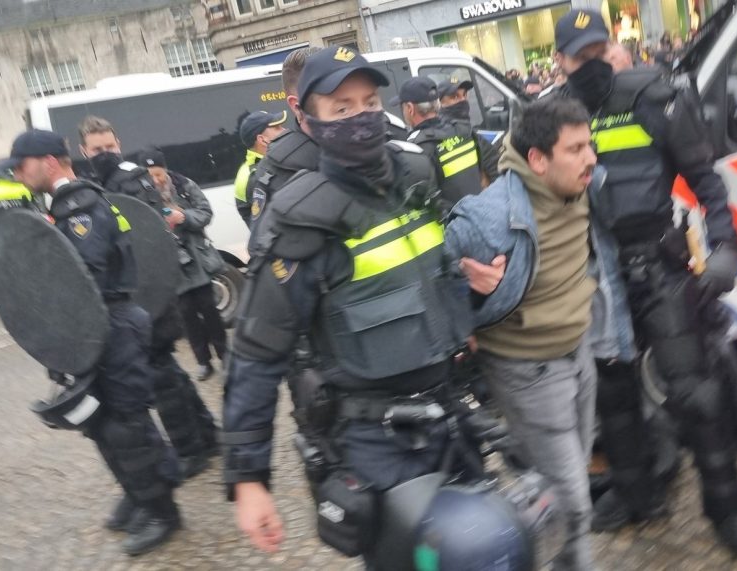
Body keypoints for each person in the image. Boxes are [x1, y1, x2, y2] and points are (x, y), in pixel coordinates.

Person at [223, 46, 500, 564]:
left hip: (450, 414)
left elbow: (435, 269)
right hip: (379, 440)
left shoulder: (413, 172)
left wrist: (470, 281)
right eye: (342, 108)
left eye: (369, 102)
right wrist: (248, 478)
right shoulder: (301, 216)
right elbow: (257, 351)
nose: (362, 117)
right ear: (309, 120)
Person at [553, 9, 737, 565]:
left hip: (658, 266)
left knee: (698, 394)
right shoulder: (550, 118)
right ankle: (637, 495)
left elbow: (706, 180)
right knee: (615, 399)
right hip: (594, 276)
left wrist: (725, 246)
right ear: (560, 61)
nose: (592, 64)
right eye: (580, 57)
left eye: (599, 51)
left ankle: (728, 510)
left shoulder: (654, 97)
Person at [445, 97, 614, 571]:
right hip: (528, 371)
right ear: (538, 160)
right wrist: (465, 286)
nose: (590, 158)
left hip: (579, 351)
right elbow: (437, 277)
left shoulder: (584, 185)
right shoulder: (488, 216)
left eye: (590, 145)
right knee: (574, 497)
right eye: (575, 149)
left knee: (568, 475)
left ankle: (536, 528)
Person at [7, 129, 181, 555]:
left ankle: (162, 511)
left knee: (127, 423)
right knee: (102, 422)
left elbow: (85, 277)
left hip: (109, 325)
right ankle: (140, 493)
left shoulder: (79, 206)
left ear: (49, 162)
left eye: (21, 165)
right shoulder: (65, 205)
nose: (17, 174)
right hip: (94, 326)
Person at [78, 116, 218, 478]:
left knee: (161, 377)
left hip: (151, 291)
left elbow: (147, 236)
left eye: (110, 146)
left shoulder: (133, 178)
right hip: (134, 292)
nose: (105, 153)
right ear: (83, 151)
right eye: (97, 149)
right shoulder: (94, 184)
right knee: (168, 371)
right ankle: (207, 435)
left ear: (119, 144)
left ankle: (190, 450)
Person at [141, 148, 228, 382]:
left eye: (159, 174)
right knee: (187, 316)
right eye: (150, 176)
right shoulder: (143, 196)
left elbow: (206, 212)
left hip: (197, 258)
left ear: (165, 169)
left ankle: (225, 356)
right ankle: (203, 362)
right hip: (172, 265)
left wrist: (184, 217)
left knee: (210, 310)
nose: (156, 180)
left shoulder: (184, 185)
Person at [244, 48, 322, 243]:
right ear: (296, 105)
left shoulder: (378, 140)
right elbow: (262, 245)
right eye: (327, 93)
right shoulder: (272, 172)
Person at [395, 77, 485, 209]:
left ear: (410, 108)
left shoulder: (415, 148)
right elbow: (481, 176)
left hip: (452, 220)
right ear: (437, 104)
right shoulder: (463, 130)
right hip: (480, 213)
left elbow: (421, 202)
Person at [436, 79, 501, 188]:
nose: (463, 100)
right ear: (440, 103)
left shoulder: (473, 135)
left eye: (465, 95)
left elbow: (496, 169)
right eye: (455, 97)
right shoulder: (436, 137)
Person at [234, 110, 288, 227]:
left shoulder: (269, 164)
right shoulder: (256, 175)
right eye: (277, 128)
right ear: (262, 139)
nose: (285, 130)